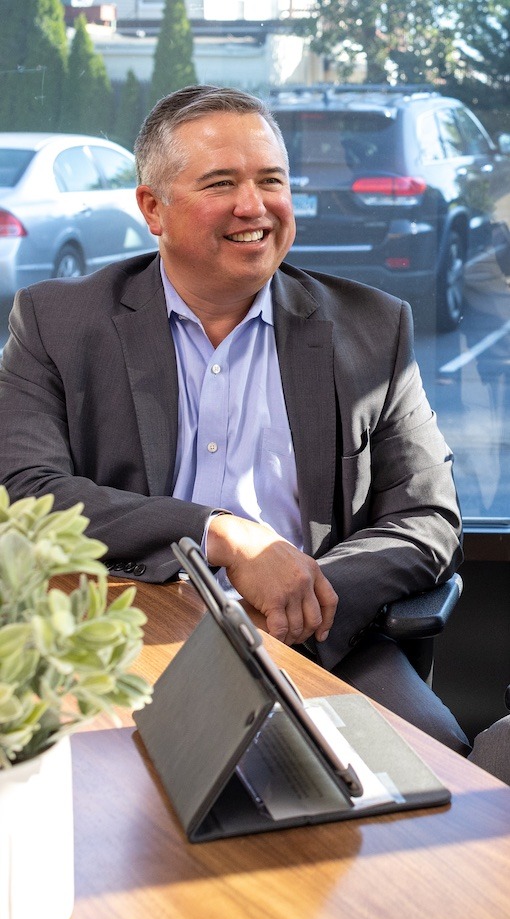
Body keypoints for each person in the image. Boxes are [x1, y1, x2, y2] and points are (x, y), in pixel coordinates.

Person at [0, 84, 470, 754]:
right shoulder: (58, 323)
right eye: (221, 183)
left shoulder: (371, 329)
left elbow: (428, 519)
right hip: (123, 637)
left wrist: (307, 594)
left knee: (444, 790)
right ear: (152, 209)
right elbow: (25, 489)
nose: (254, 207)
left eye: (270, 180)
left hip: (318, 643)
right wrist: (221, 536)